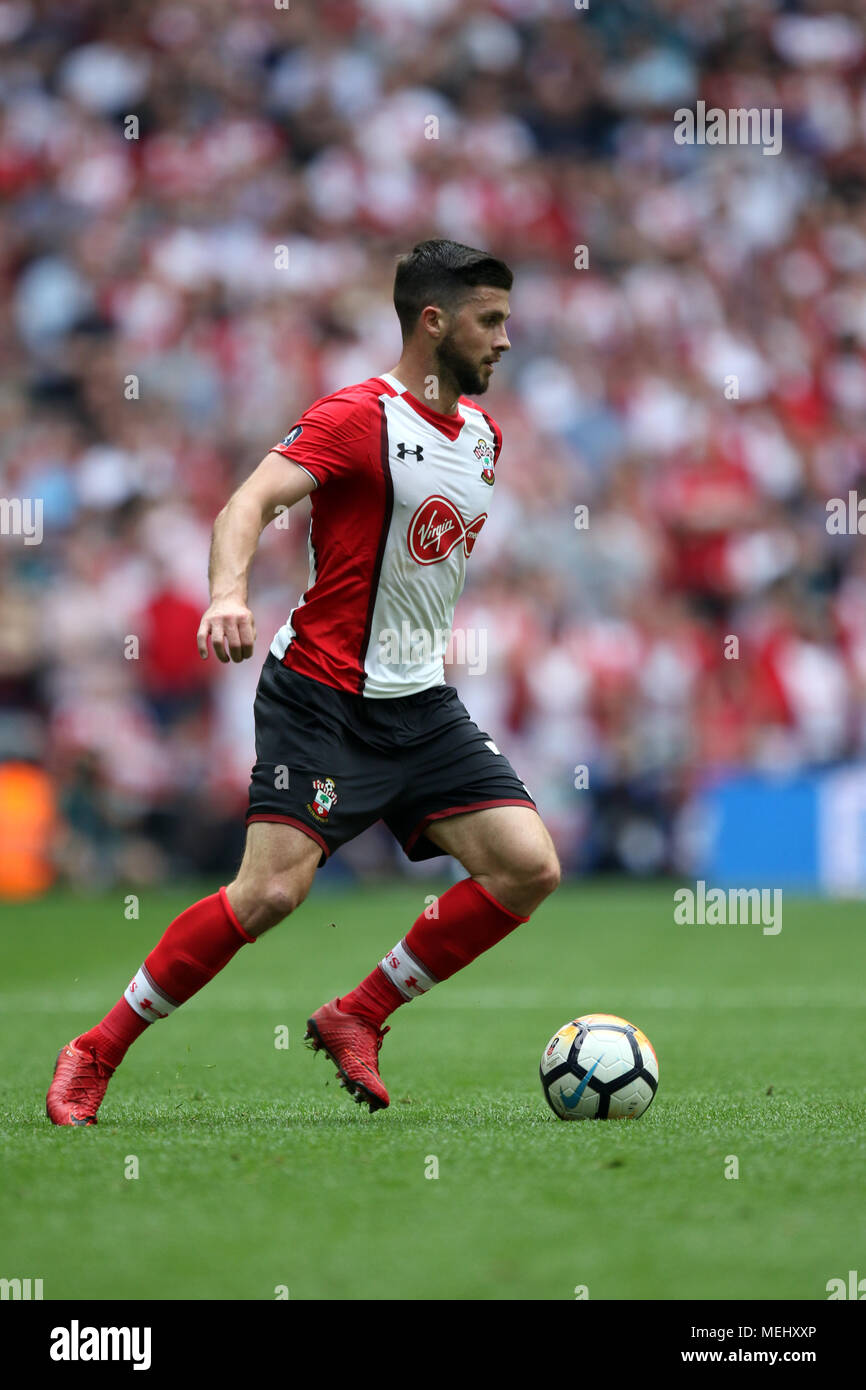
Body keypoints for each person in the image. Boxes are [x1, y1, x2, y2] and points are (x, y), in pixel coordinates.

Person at [46, 239, 561, 1123]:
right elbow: (246, 503)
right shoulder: (357, 417)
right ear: (432, 322)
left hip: (421, 704)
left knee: (528, 867)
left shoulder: (483, 437)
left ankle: (360, 1012)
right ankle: (96, 1049)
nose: (505, 340)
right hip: (322, 693)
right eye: (490, 320)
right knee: (273, 892)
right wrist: (227, 594)